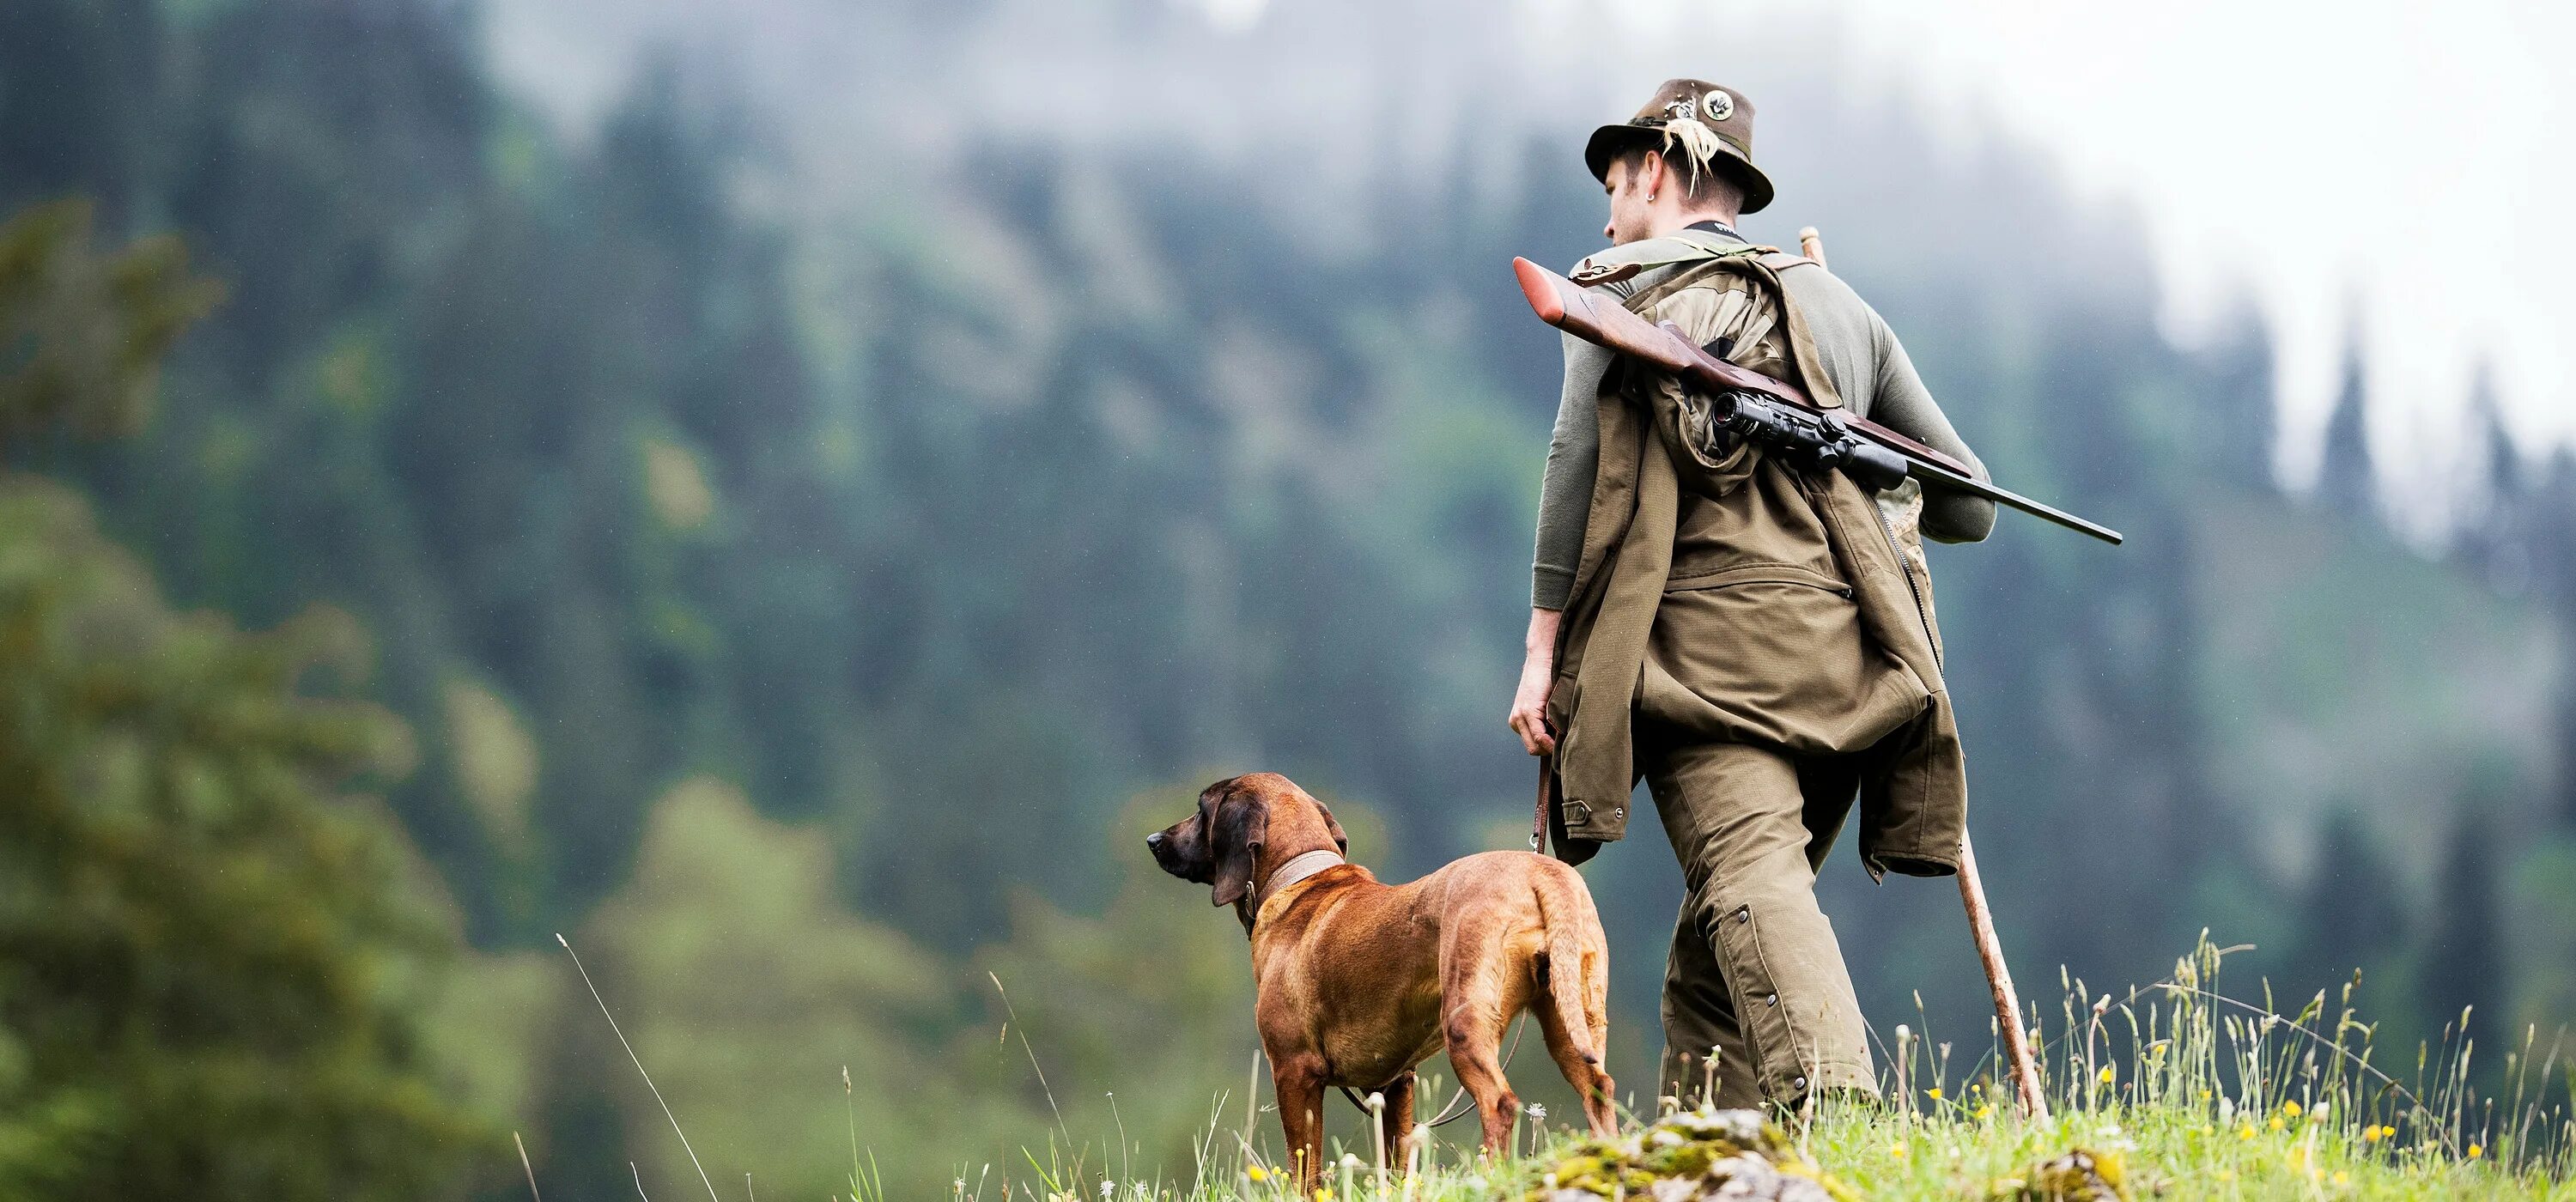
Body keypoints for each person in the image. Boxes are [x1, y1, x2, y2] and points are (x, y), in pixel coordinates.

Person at [1504, 79, 1996, 1111]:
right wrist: (1853, 438)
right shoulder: (1839, 304)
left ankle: (1843, 1118)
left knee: (1747, 882)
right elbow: (1971, 506)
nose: (1605, 213)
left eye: (1615, 181)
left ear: (1658, 168)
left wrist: (1542, 652)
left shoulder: (1613, 287)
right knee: (1716, 954)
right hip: (1854, 671)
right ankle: (1717, 1157)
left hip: (1708, 669)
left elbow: (1574, 460)